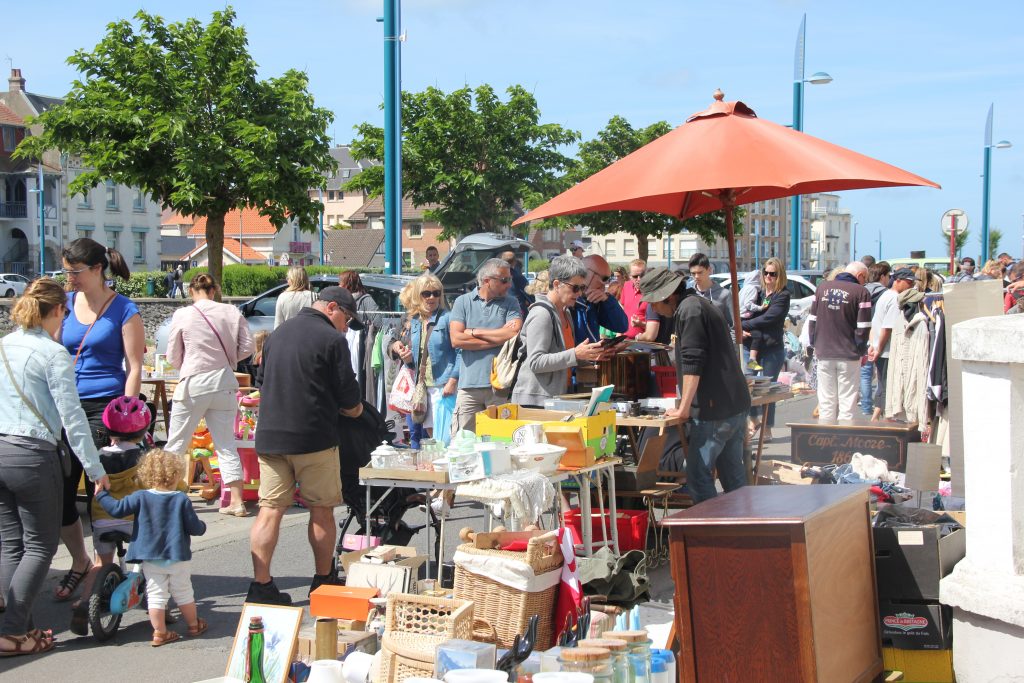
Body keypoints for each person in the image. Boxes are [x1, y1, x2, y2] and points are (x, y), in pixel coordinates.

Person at [0, 278, 109, 657]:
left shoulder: (4, 346)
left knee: (11, 545)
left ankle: (21, 629)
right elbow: (73, 419)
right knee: (40, 546)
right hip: (32, 454)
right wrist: (95, 469)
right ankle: (12, 631)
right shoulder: (53, 353)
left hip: (0, 449)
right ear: (58, 311)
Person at [249, 287, 364, 604]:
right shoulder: (332, 340)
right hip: (314, 437)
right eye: (346, 319)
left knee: (269, 510)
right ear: (332, 308)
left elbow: (261, 385)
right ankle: (323, 580)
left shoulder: (276, 334)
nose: (345, 327)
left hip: (271, 437)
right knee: (322, 509)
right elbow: (350, 400)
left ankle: (260, 585)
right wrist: (352, 410)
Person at [56, 237, 144, 602]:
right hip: (64, 405)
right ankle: (79, 561)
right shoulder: (64, 303)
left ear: (97, 270)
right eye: (67, 272)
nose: (70, 279)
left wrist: (127, 414)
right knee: (62, 490)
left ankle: (100, 567)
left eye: (75, 272)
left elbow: (134, 366)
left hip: (103, 407)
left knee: (100, 488)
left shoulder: (124, 309)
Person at [638, 268, 750, 504]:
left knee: (698, 475)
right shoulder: (694, 305)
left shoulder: (690, 310)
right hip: (730, 403)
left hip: (714, 408)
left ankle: (710, 532)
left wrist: (683, 408)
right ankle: (745, 529)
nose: (653, 309)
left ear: (666, 296)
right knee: (733, 477)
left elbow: (692, 363)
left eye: (653, 303)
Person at [96, 448, 208, 646]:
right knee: (183, 592)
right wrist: (202, 527)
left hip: (150, 558)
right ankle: (193, 625)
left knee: (156, 595)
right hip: (176, 556)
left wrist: (102, 495)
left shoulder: (140, 496)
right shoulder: (180, 499)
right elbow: (194, 527)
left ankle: (159, 633)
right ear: (176, 475)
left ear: (146, 474)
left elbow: (117, 509)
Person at [164, 273, 254, 516]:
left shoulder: (183, 314)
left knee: (176, 443)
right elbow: (248, 347)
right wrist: (228, 360)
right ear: (214, 290)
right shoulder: (231, 312)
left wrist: (186, 365)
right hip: (224, 382)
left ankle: (166, 498)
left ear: (192, 291)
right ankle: (236, 501)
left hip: (193, 382)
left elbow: (172, 354)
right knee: (226, 445)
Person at [68, 395, 153, 635]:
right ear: (144, 429)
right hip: (133, 520)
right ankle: (158, 605)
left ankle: (85, 602)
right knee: (148, 560)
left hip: (102, 518)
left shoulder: (98, 457)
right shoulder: (145, 458)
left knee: (100, 563)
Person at [512, 256, 604, 406]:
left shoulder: (566, 312)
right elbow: (536, 362)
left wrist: (593, 355)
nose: (579, 293)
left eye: (582, 288)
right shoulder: (541, 314)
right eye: (575, 288)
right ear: (556, 284)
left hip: (554, 398)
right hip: (535, 401)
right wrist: (575, 354)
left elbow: (562, 356)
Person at [449, 258, 523, 433]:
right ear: (487, 281)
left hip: (500, 386)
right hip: (468, 387)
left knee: (501, 438)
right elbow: (456, 340)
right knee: (462, 440)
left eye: (510, 279)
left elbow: (513, 334)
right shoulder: (462, 302)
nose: (509, 284)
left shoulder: (511, 303)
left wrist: (474, 332)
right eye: (504, 280)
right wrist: (498, 336)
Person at [389, 273, 460, 448]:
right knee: (432, 437)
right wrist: (404, 353)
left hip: (443, 385)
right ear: (417, 295)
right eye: (426, 293)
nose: (431, 297)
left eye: (436, 293)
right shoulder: (414, 320)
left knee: (446, 438)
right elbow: (417, 351)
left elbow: (461, 351)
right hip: (422, 386)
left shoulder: (447, 318)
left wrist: (453, 380)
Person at [808, 261, 871, 422]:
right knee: (847, 404)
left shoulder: (822, 288)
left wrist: (814, 344)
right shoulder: (861, 292)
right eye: (865, 278)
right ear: (860, 275)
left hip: (824, 353)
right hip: (849, 354)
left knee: (826, 402)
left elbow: (812, 319)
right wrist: (861, 351)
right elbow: (863, 328)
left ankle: (824, 443)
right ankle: (844, 443)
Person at [741, 257, 792, 441]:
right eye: (766, 273)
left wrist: (743, 324)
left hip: (771, 348)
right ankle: (754, 419)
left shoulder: (783, 295)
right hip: (750, 346)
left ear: (780, 275)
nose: (769, 277)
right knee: (749, 386)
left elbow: (769, 318)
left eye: (773, 274)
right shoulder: (757, 292)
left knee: (768, 390)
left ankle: (768, 428)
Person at [869, 268, 914, 420]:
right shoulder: (895, 299)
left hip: (879, 347)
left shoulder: (885, 295)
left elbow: (875, 322)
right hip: (887, 349)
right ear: (898, 280)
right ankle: (880, 417)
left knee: (883, 382)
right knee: (887, 383)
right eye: (909, 282)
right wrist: (879, 348)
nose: (911, 286)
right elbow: (887, 327)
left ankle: (878, 415)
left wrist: (873, 345)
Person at [572, 254, 628, 343]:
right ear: (588, 274)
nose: (603, 285)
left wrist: (607, 300)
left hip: (592, 356)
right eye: (604, 279)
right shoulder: (568, 301)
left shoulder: (595, 302)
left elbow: (621, 326)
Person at [861, 261, 892, 416]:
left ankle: (866, 407)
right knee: (880, 377)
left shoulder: (862, 291)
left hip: (863, 336)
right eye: (888, 276)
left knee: (865, 374)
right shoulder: (886, 295)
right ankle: (878, 408)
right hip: (878, 339)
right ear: (883, 276)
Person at [687, 254, 733, 328]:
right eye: (693, 273)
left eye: (700, 272)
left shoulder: (725, 294)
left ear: (709, 270)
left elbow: (733, 326)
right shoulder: (689, 294)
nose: (696, 276)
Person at [620, 259, 658, 340]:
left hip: (643, 342)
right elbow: (622, 311)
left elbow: (655, 328)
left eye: (642, 276)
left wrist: (641, 324)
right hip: (625, 341)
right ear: (629, 276)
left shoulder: (651, 293)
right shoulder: (626, 286)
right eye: (635, 276)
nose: (639, 279)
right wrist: (618, 335)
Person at [501, 250, 535, 314]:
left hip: (500, 309)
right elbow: (529, 293)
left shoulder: (496, 275)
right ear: (514, 262)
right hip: (516, 310)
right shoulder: (518, 277)